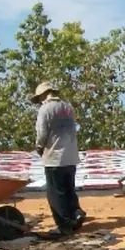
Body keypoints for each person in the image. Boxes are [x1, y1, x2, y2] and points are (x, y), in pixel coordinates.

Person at [32, 82, 85, 236]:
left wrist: (39, 148)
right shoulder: (68, 107)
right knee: (69, 189)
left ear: (43, 95)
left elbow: (41, 133)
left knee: (56, 193)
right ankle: (76, 214)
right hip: (71, 156)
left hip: (54, 157)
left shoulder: (45, 109)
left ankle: (64, 226)